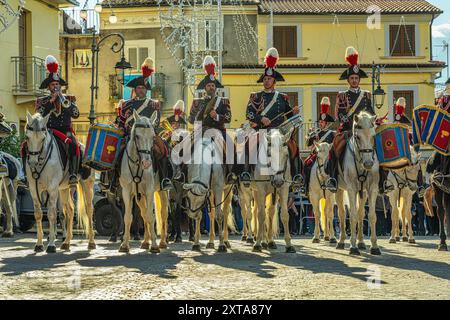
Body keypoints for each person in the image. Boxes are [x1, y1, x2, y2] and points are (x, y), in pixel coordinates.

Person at [325, 47, 389, 193]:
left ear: (359, 80)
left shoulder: (366, 95)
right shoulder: (342, 95)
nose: (354, 80)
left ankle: (382, 181)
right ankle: (333, 178)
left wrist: (376, 119)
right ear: (348, 80)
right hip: (348, 129)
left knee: (380, 147)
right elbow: (338, 114)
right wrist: (346, 118)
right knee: (335, 147)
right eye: (352, 78)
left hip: (365, 130)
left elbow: (371, 111)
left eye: (356, 78)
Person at [242, 47, 302, 187]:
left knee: (294, 147)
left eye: (269, 79)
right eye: (265, 78)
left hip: (279, 132)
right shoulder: (255, 96)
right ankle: (246, 172)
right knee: (248, 144)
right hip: (261, 131)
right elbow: (248, 113)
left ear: (274, 81)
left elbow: (289, 115)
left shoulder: (282, 97)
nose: (267, 81)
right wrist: (260, 119)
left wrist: (294, 111)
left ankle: (297, 175)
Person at [21, 55, 80, 186]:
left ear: (60, 86)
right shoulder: (42, 101)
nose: (55, 87)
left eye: (57, 84)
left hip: (65, 131)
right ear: (49, 87)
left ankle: (73, 174)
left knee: (74, 145)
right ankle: (25, 174)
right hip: (47, 131)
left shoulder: (69, 98)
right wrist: (51, 102)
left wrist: (66, 103)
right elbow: (39, 115)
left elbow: (76, 114)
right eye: (53, 85)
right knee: (25, 145)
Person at [116, 57, 174, 191]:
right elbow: (120, 120)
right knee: (116, 152)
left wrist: (149, 132)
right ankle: (112, 181)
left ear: (146, 90)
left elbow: (157, 121)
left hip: (148, 136)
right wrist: (121, 127)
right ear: (135, 89)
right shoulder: (126, 105)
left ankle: (164, 179)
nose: (141, 90)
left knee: (163, 150)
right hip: (130, 135)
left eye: (143, 88)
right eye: (138, 87)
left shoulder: (153, 104)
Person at [188, 55, 234, 184]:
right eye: (208, 85)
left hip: (218, 130)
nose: (211, 88)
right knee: (185, 147)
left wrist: (217, 116)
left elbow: (229, 117)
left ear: (216, 87)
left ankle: (232, 173)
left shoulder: (223, 101)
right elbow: (191, 119)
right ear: (205, 87)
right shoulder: (198, 102)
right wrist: (201, 114)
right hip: (201, 131)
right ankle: (181, 172)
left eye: (213, 86)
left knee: (231, 148)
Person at [303, 97, 336, 196]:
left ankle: (334, 183)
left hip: (328, 156)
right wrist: (311, 136)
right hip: (316, 155)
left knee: (335, 165)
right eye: (320, 122)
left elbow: (333, 146)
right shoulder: (315, 132)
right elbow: (308, 145)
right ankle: (305, 186)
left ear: (326, 123)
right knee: (306, 164)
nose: (320, 123)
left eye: (322, 122)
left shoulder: (332, 133)